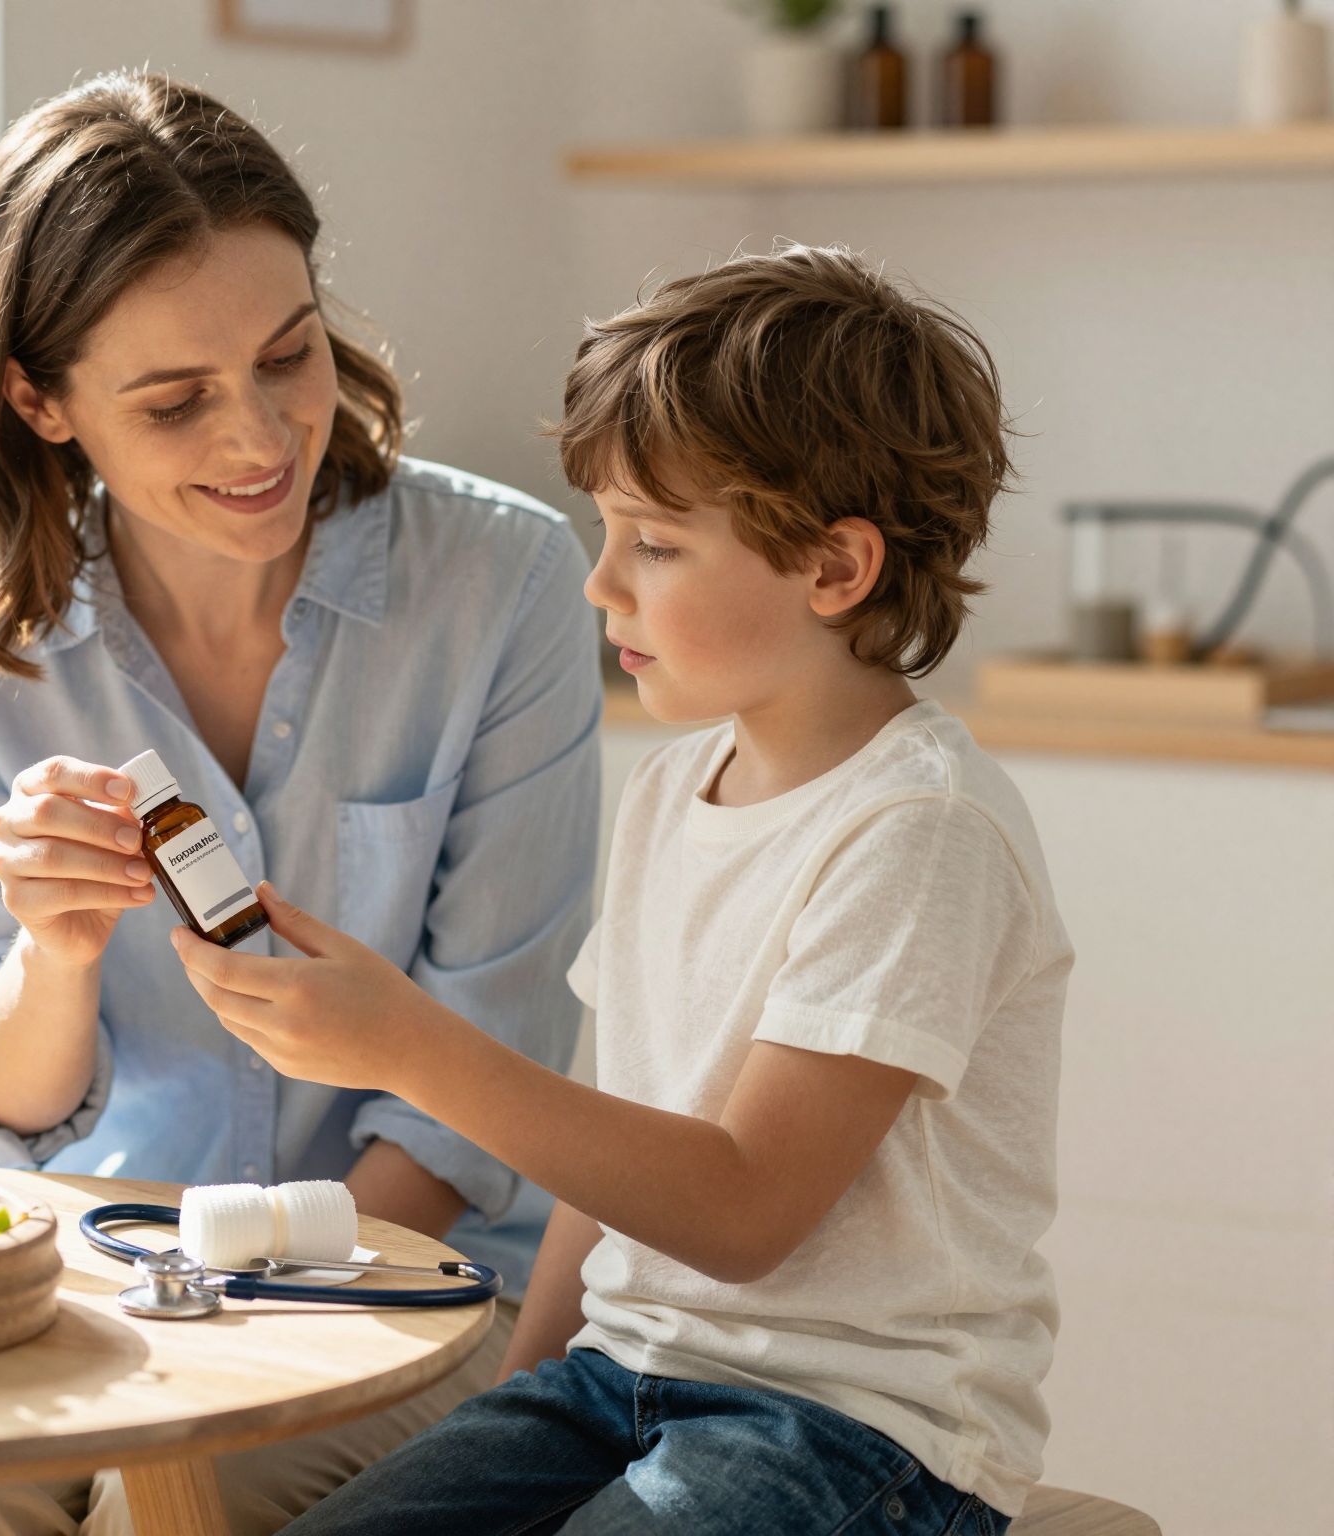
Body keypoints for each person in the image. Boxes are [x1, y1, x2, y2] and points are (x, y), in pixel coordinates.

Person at [175, 244, 1071, 1535]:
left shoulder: (917, 830)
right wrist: (521, 1407)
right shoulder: (673, 787)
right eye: (607, 532)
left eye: (653, 544)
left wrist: (407, 1048)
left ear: (835, 569)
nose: (600, 583)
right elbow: (606, 1146)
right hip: (620, 1383)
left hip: (855, 1432)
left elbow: (744, 1208)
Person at [0, 72, 601, 1536]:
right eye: (174, 401)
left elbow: (484, 1072)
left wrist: (250, 1303)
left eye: (288, 358)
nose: (259, 441)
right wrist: (53, 954)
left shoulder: (504, 585)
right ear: (39, 401)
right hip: (94, 1283)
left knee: (172, 1501)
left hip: (412, 1288)